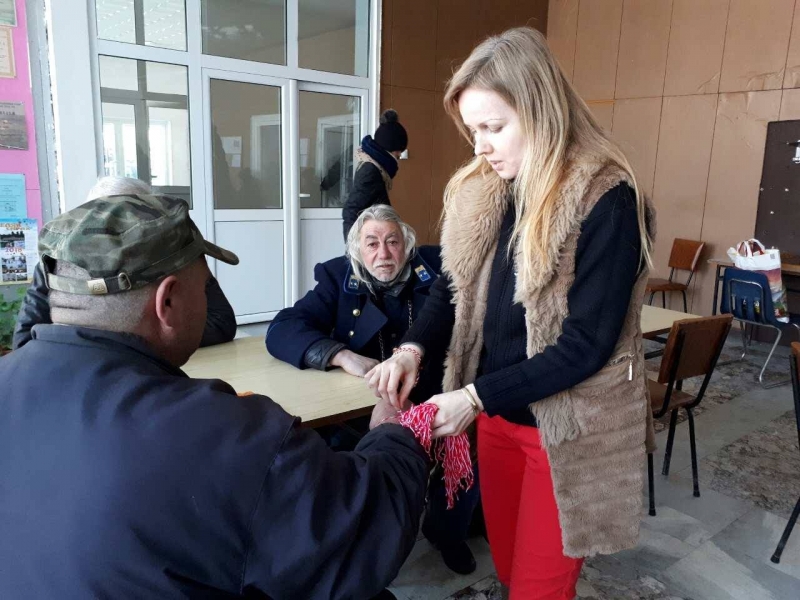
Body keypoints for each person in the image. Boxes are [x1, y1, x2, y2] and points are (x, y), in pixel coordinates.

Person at [0, 193, 429, 600]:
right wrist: (393, 432)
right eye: (206, 285)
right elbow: (365, 532)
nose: (383, 252)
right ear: (168, 301)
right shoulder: (224, 433)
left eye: (392, 242)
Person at [366, 27, 656, 600]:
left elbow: (585, 347)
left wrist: (473, 398)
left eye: (493, 128)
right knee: (506, 566)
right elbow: (450, 288)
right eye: (472, 130)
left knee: (538, 590)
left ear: (541, 112)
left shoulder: (606, 199)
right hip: (496, 417)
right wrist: (412, 349)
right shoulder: (485, 190)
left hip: (564, 431)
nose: (480, 147)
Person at [267, 204, 480, 575]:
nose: (384, 253)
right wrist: (340, 355)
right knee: (350, 464)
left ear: (407, 245)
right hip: (363, 403)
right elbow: (282, 328)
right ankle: (370, 545)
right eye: (372, 243)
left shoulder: (436, 269)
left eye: (392, 242)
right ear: (357, 250)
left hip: (433, 393)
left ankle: (447, 533)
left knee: (464, 450)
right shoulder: (338, 276)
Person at [12, 176, 237, 350]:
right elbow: (24, 341)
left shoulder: (170, 254)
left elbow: (222, 322)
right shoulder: (58, 264)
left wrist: (161, 338)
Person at [342, 109, 408, 241]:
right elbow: (351, 210)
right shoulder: (371, 171)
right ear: (388, 148)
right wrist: (354, 247)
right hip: (367, 242)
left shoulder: (375, 167)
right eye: (398, 152)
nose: (399, 156)